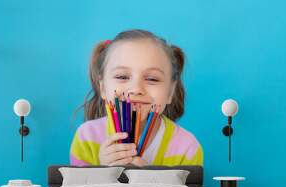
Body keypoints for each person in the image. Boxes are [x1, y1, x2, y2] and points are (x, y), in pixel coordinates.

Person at [70, 29, 203, 167]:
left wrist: (149, 178)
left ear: (170, 92)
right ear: (103, 88)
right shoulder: (86, 137)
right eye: (122, 77)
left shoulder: (187, 148)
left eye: (152, 79)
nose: (136, 89)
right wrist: (102, 171)